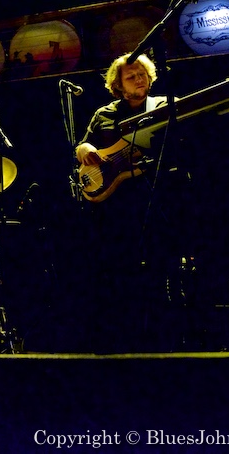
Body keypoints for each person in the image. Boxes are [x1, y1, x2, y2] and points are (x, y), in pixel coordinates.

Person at [70, 52, 177, 352]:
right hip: (113, 211)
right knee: (117, 277)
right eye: (131, 76)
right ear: (118, 85)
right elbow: (84, 145)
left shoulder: (164, 106)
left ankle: (162, 344)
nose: (139, 78)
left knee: (158, 277)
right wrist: (84, 149)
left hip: (154, 203)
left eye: (142, 73)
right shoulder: (103, 114)